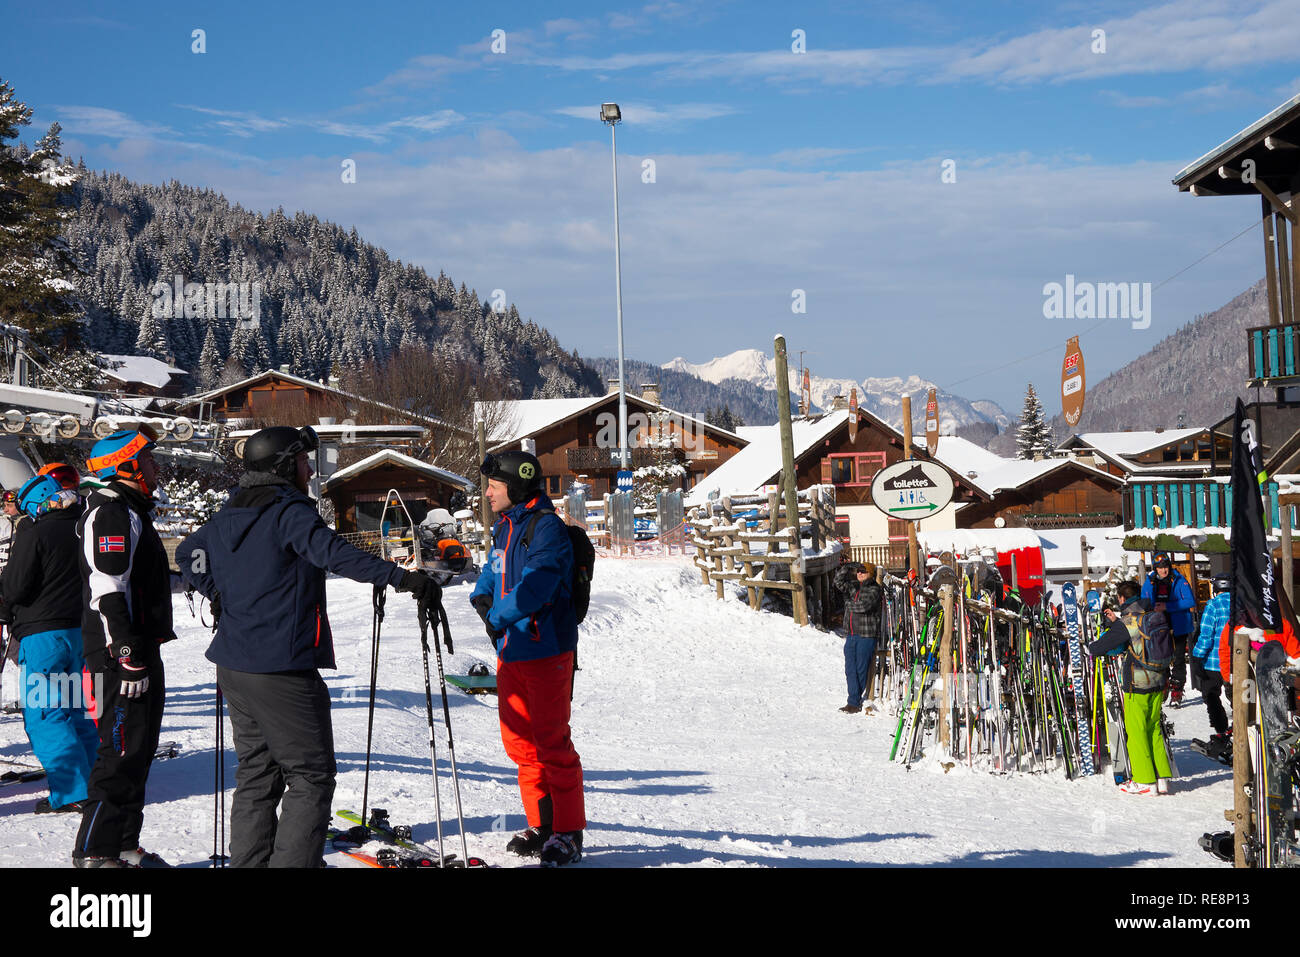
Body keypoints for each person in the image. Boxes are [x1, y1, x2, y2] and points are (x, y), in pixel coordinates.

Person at [177, 426, 437, 868]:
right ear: (283, 467)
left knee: (258, 773)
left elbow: (187, 554)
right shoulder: (288, 510)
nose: (309, 469)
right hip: (280, 666)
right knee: (311, 775)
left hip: (235, 666)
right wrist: (400, 577)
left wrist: (216, 591)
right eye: (302, 462)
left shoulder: (229, 511)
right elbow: (333, 553)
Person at [470, 450, 585, 866]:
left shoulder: (547, 530)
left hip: (546, 651)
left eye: (494, 487)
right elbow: (493, 569)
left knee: (552, 742)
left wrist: (497, 615)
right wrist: (481, 594)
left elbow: (537, 587)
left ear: (515, 489)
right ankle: (544, 824)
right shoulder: (505, 528)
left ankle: (569, 832)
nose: (487, 494)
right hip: (511, 652)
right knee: (520, 744)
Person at [73, 428, 176, 868]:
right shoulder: (111, 513)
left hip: (138, 649)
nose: (156, 468)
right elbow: (107, 588)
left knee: (137, 750)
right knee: (118, 754)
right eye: (148, 461)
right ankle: (95, 852)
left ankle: (122, 846)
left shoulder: (132, 510)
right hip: (120, 655)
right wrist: (126, 655)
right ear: (126, 466)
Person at [0, 472, 98, 814]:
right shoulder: (85, 528)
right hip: (81, 633)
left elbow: (13, 587)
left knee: (46, 716)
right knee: (76, 712)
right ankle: (95, 784)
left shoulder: (37, 532)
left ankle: (73, 791)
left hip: (44, 637)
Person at [1087, 580, 1174, 795]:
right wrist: (1115, 622)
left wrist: (1089, 646)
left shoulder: (1126, 623)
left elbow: (1102, 647)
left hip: (1137, 684)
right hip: (1158, 681)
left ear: (1122, 599)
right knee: (1154, 729)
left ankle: (1145, 781)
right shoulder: (1153, 615)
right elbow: (1136, 640)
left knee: (1136, 732)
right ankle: (1161, 778)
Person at [1141, 553, 1195, 705]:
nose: (1163, 571)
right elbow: (1144, 603)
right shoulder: (1150, 582)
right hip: (1158, 627)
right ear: (1155, 569)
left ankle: (1177, 689)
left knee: (1178, 658)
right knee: (1161, 657)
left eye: (1165, 567)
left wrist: (1167, 606)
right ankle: (1164, 684)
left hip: (1178, 625)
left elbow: (1190, 601)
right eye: (1160, 568)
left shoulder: (1178, 580)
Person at [834, 561, 882, 714]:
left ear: (870, 574)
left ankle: (853, 702)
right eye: (858, 571)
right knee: (850, 669)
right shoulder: (853, 586)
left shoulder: (875, 589)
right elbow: (838, 582)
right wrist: (846, 568)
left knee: (861, 669)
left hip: (866, 635)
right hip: (852, 634)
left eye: (863, 571)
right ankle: (853, 699)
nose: (860, 573)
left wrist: (847, 604)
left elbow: (863, 606)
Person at [1190, 575, 1232, 750]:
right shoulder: (1242, 604)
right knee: (1237, 697)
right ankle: (1244, 728)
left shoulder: (1213, 605)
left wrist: (1197, 656)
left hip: (1213, 662)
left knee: (1211, 695)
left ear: (1216, 589)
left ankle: (1221, 732)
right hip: (1234, 661)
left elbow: (1206, 636)